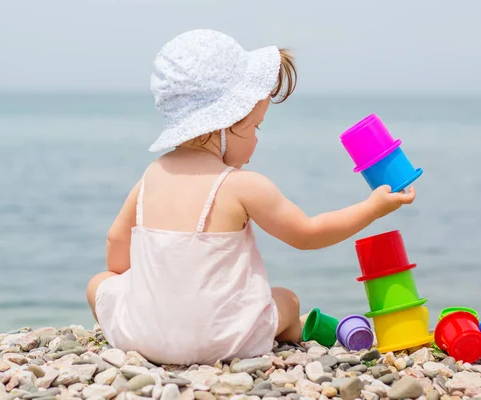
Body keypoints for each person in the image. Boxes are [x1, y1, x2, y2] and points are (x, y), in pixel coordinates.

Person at [86, 29, 416, 366]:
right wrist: (372, 207)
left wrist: (147, 287)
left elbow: (116, 246)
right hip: (226, 339)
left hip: (145, 338)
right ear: (224, 124)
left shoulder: (151, 176)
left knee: (100, 283)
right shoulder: (243, 185)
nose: (257, 140)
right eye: (256, 127)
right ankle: (295, 330)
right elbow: (308, 233)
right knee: (287, 300)